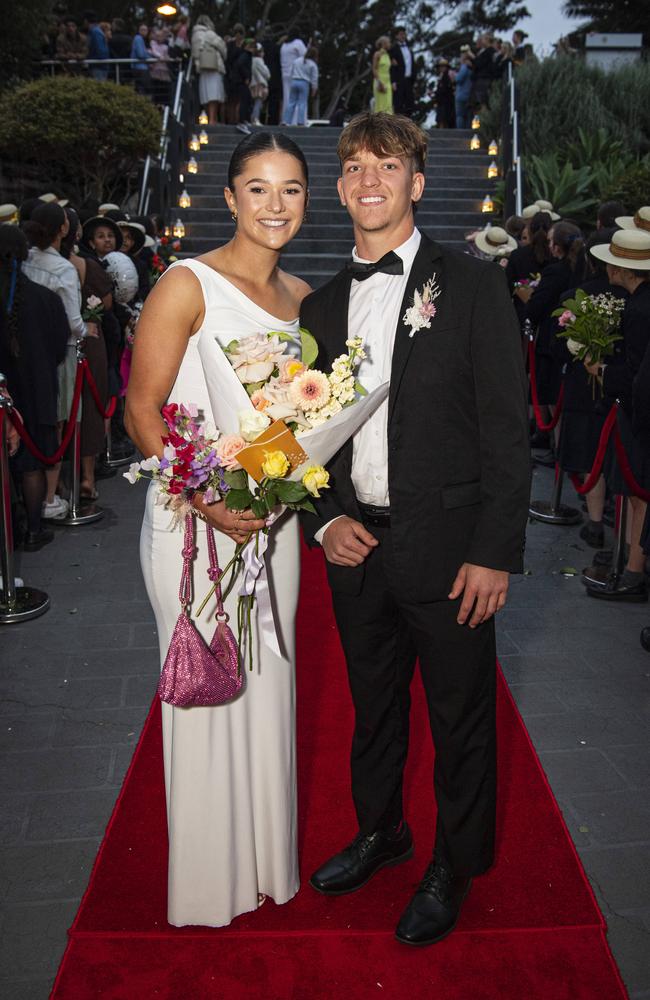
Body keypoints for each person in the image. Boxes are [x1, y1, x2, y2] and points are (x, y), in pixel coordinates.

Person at [299, 112, 530, 946]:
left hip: (452, 551)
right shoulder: (323, 304)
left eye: (386, 166)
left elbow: (507, 428)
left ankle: (453, 864)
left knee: (462, 715)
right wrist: (324, 523)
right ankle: (381, 831)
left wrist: (494, 552)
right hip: (357, 550)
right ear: (340, 188)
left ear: (416, 184)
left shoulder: (469, 287)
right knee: (373, 709)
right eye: (355, 166)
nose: (369, 180)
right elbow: (300, 440)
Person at [124, 131, 312, 928]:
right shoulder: (185, 282)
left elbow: (306, 418)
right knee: (202, 692)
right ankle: (206, 888)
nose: (276, 206)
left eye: (293, 189)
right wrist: (207, 503)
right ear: (229, 196)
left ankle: (269, 863)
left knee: (269, 684)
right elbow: (142, 408)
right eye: (259, 188)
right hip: (191, 524)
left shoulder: (303, 297)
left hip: (272, 526)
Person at [22, 202, 100, 520]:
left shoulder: (25, 259)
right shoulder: (63, 268)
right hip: (62, 351)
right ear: (64, 230)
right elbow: (72, 321)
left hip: (27, 350)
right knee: (58, 422)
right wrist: (88, 328)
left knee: (33, 421)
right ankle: (51, 497)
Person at [584, 229, 650, 601]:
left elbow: (639, 372)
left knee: (639, 493)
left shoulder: (640, 309)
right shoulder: (638, 302)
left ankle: (633, 572)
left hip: (638, 415)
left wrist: (602, 372)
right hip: (632, 409)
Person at [554, 230, 627, 549]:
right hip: (621, 390)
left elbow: (561, 349)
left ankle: (596, 523)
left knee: (590, 455)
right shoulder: (632, 298)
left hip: (585, 390)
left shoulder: (577, 294)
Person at [0, 225, 69, 551]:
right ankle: (34, 528)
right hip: (37, 390)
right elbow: (59, 349)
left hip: (6, 391)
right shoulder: (46, 298)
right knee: (31, 465)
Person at [191, 15, 227, 125]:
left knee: (206, 95)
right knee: (214, 95)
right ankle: (212, 120)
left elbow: (195, 53)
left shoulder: (195, 35)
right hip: (214, 67)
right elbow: (222, 47)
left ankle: (207, 119)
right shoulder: (209, 34)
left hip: (202, 68)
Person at [284, 46, 318, 127]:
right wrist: (314, 89)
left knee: (291, 102)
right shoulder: (312, 64)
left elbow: (291, 71)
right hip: (304, 82)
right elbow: (314, 78)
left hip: (294, 81)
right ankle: (300, 122)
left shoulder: (297, 60)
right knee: (302, 103)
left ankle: (286, 121)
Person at [280, 31, 307, 124]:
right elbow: (305, 56)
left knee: (287, 98)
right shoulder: (298, 43)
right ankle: (297, 121)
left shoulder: (284, 45)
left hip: (285, 73)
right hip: (296, 74)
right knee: (298, 99)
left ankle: (286, 120)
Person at [390, 27, 415, 117]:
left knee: (409, 102)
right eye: (401, 34)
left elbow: (412, 64)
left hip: (409, 79)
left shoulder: (409, 48)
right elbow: (392, 67)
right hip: (399, 80)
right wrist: (393, 81)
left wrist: (413, 78)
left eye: (404, 34)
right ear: (396, 36)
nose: (403, 36)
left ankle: (409, 124)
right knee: (398, 103)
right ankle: (398, 125)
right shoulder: (393, 49)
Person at [262, 28, 282, 125]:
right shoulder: (276, 48)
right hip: (274, 77)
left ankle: (260, 118)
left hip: (261, 76)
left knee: (259, 100)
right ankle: (272, 121)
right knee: (273, 102)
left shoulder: (261, 47)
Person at [83, 10, 110, 81]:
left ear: (86, 21)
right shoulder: (97, 31)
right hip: (98, 66)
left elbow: (101, 52)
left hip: (98, 67)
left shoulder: (95, 32)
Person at [149, 27, 172, 106]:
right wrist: (160, 57)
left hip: (164, 70)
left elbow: (167, 56)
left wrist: (166, 58)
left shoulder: (165, 46)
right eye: (158, 36)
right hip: (156, 70)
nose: (159, 38)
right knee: (156, 88)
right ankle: (156, 104)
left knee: (164, 88)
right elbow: (154, 51)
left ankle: (165, 106)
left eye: (161, 36)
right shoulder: (153, 43)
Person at [372, 37, 393, 115]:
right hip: (380, 80)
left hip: (388, 81)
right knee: (380, 106)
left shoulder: (387, 55)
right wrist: (379, 83)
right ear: (384, 43)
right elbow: (374, 69)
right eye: (388, 42)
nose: (390, 44)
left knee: (388, 105)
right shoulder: (377, 54)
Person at [250, 45, 271, 125]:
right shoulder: (259, 61)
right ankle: (255, 118)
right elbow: (267, 73)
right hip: (260, 83)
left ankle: (253, 118)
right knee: (258, 102)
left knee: (255, 102)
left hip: (253, 83)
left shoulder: (251, 60)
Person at [110, 18, 133, 84]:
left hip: (114, 68)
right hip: (127, 68)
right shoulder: (129, 39)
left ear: (115, 26)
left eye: (113, 25)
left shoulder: (111, 39)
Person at [130, 23, 151, 96]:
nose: (144, 32)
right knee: (142, 88)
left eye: (145, 30)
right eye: (142, 30)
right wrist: (149, 56)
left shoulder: (141, 39)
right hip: (140, 68)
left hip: (141, 67)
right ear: (139, 30)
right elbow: (140, 54)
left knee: (141, 88)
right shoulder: (138, 38)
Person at [434, 58, 455, 129]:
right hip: (441, 101)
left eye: (443, 66)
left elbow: (446, 88)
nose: (442, 68)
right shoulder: (441, 76)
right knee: (441, 118)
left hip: (446, 101)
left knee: (444, 118)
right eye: (440, 66)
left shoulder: (447, 76)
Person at [454, 51, 473, 129]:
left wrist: (455, 76)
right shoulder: (472, 68)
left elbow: (459, 78)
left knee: (460, 115)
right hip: (469, 93)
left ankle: (460, 131)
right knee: (468, 115)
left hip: (462, 94)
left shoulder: (464, 67)